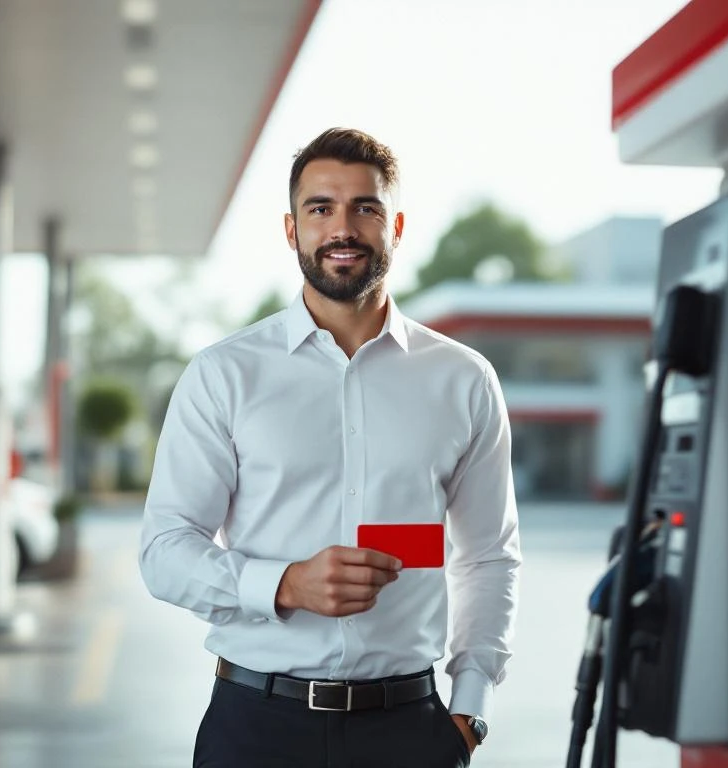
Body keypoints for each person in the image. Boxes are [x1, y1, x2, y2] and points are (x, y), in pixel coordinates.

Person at [140, 127, 521, 768]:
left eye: (364, 208)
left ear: (394, 225)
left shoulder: (462, 379)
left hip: (409, 732)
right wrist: (284, 584)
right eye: (320, 208)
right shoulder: (225, 374)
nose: (342, 227)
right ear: (292, 229)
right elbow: (164, 549)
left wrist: (470, 708)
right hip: (255, 728)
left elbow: (486, 556)